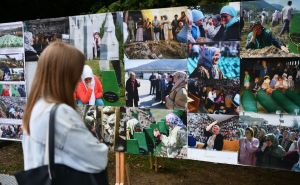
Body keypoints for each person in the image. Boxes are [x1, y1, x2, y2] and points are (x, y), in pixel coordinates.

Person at [22, 42, 108, 176]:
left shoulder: (36, 105)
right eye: (77, 74)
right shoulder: (60, 113)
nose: (79, 80)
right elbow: (99, 159)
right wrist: (96, 141)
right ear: (66, 76)